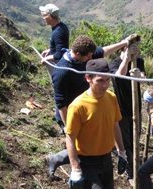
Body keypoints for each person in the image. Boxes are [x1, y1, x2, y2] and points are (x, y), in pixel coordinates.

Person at [46, 35, 133, 180]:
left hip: (88, 107)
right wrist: (69, 127)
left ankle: (58, 159)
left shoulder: (85, 55)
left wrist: (124, 43)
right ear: (78, 54)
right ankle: (72, 169)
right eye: (89, 56)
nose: (92, 57)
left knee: (92, 140)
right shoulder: (62, 71)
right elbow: (61, 103)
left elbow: (103, 52)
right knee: (81, 144)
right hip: (70, 113)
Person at [66, 58, 127, 189]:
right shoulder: (78, 106)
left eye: (107, 80)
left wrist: (122, 152)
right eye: (100, 81)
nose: (105, 85)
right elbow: (70, 138)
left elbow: (115, 126)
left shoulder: (111, 98)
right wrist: (76, 169)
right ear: (88, 78)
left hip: (106, 160)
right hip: (87, 163)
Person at [109, 36, 145, 185]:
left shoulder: (139, 60)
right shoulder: (114, 63)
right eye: (133, 49)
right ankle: (131, 173)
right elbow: (119, 75)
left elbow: (143, 76)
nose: (137, 53)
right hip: (121, 109)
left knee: (136, 137)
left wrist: (139, 75)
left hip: (136, 108)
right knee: (126, 142)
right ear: (125, 48)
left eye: (137, 50)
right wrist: (128, 59)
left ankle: (135, 168)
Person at [39, 3, 69, 80]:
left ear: (49, 16)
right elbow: (61, 45)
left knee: (57, 84)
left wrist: (46, 59)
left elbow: (58, 55)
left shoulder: (58, 32)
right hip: (62, 64)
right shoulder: (61, 26)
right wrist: (50, 50)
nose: (43, 18)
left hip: (58, 66)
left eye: (44, 16)